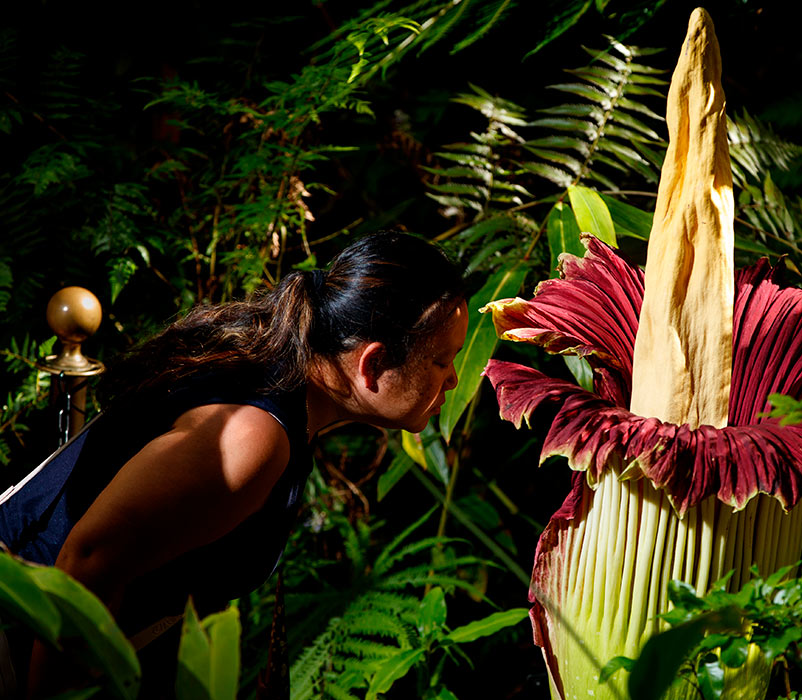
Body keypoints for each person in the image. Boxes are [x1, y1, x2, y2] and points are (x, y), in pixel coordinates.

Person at [0, 231, 467, 698]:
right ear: (375, 362)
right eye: (442, 361)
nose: (454, 380)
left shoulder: (277, 379)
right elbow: (90, 561)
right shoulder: (250, 439)